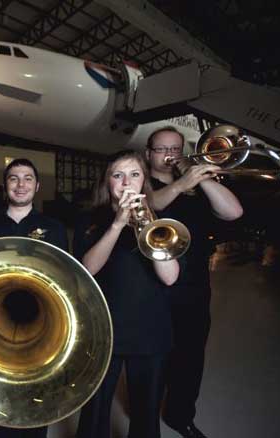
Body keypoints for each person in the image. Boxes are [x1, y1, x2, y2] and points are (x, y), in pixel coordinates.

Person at [74, 150, 179, 438]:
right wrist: (118, 223)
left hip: (150, 330)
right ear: (107, 182)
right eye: (117, 175)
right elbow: (87, 269)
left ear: (144, 180)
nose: (126, 183)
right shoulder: (91, 218)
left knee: (146, 415)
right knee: (94, 412)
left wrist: (146, 225)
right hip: (103, 329)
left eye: (134, 174)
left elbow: (170, 277)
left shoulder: (162, 220)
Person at [145, 127, 243, 438]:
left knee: (189, 360)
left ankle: (179, 415)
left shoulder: (197, 188)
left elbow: (234, 212)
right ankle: (145, 417)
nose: (169, 154)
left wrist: (197, 175)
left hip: (194, 289)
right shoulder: (141, 182)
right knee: (152, 359)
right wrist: (181, 183)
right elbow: (152, 205)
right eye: (161, 149)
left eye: (175, 148)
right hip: (152, 290)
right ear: (148, 154)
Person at [0, 157, 68, 438]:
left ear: (37, 186)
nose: (21, 184)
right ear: (5, 186)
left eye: (27, 178)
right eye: (14, 178)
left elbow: (64, 276)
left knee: (38, 391)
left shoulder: (54, 227)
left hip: (41, 321)